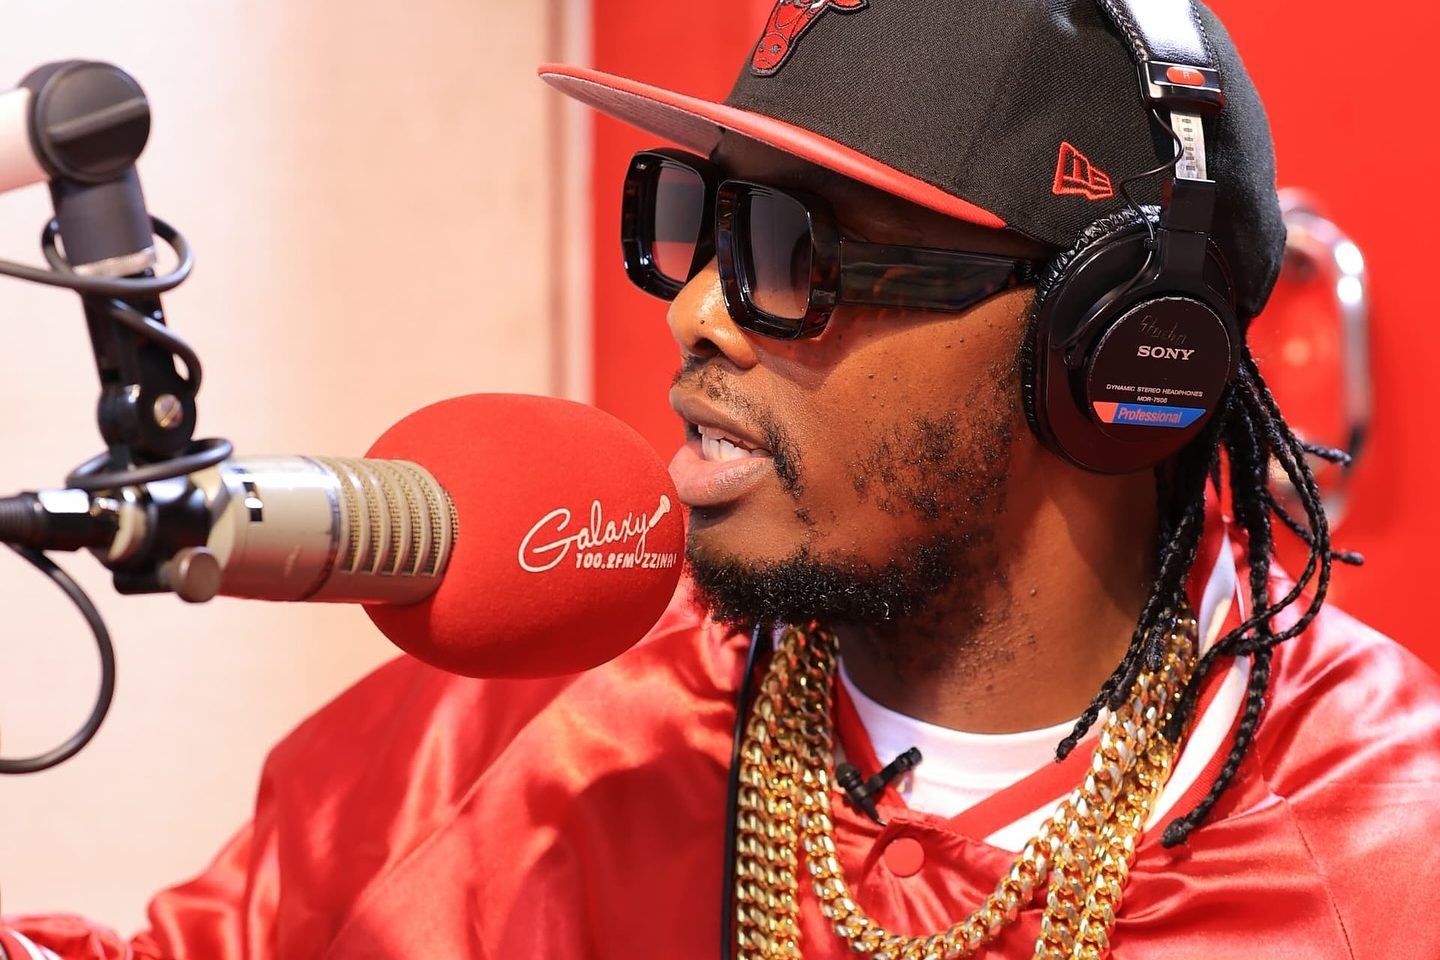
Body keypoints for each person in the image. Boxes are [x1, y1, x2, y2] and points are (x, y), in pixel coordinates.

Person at [5, 1, 1439, 958]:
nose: (696, 310)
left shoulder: (1386, 854)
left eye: (795, 254)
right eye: (699, 221)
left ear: (1122, 348)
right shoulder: (548, 723)